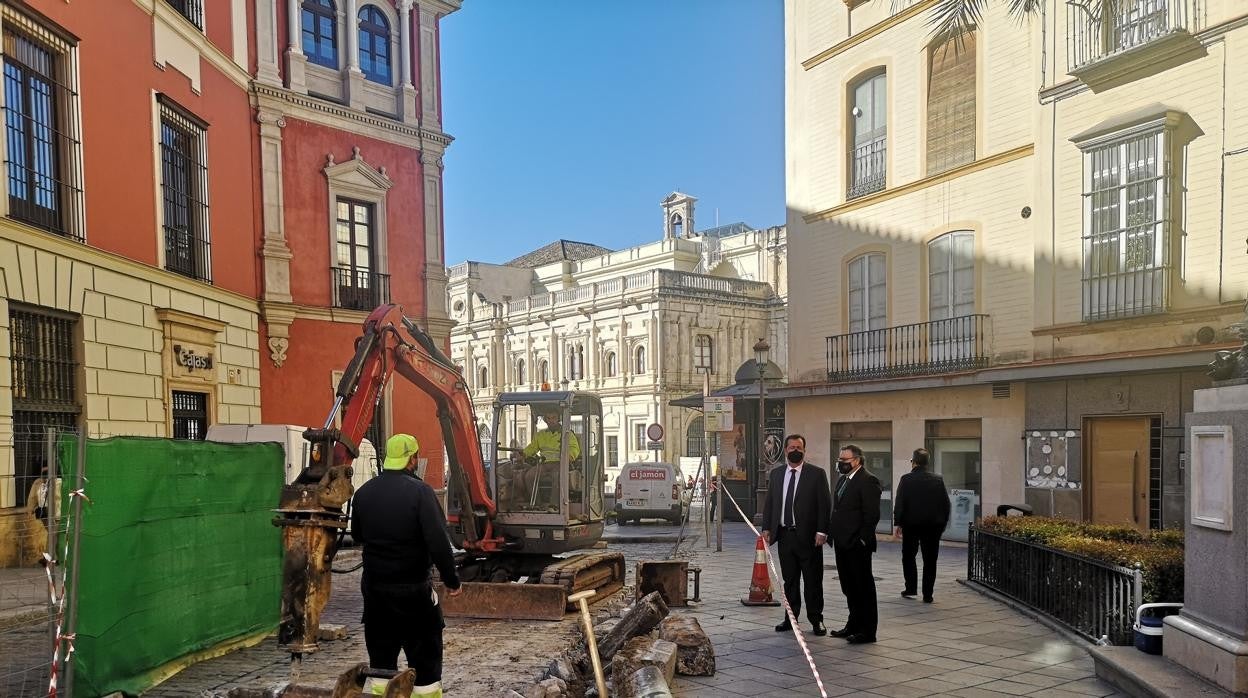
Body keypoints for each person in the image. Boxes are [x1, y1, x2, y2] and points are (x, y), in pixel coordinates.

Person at [352, 433, 462, 697]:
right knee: (425, 663)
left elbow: (357, 536)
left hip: (376, 592)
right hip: (413, 592)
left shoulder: (363, 493)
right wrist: (452, 580)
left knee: (380, 663)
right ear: (412, 459)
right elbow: (438, 543)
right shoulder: (421, 493)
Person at [760, 434, 831, 636]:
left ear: (804, 450)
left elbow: (824, 505)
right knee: (789, 581)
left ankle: (817, 620)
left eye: (799, 447)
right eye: (791, 447)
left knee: (812, 581)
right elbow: (770, 503)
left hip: (809, 537)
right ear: (785, 450)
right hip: (785, 536)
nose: (795, 450)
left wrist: (822, 531)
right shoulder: (776, 474)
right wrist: (767, 527)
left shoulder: (816, 474)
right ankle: (790, 619)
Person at [828, 444, 882, 644]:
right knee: (848, 586)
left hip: (857, 544)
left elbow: (872, 515)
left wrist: (861, 538)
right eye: (840, 460)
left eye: (845, 460)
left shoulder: (868, 481)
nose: (841, 463)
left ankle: (868, 631)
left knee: (863, 587)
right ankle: (853, 624)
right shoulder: (843, 480)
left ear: (857, 460)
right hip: (842, 543)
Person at [893, 448, 951, 603]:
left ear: (914, 462)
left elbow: (900, 503)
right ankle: (928, 594)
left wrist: (897, 523)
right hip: (932, 527)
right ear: (927, 463)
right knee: (930, 560)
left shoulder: (906, 479)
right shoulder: (937, 479)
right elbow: (946, 504)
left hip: (911, 525)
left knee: (908, 557)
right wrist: (942, 524)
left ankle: (911, 588)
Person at [514, 408, 581, 509]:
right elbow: (532, 448)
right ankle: (537, 504)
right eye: (548, 418)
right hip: (544, 464)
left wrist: (570, 456)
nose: (551, 420)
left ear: (558, 419)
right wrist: (522, 454)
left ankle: (554, 505)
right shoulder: (541, 435)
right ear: (545, 420)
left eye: (553, 418)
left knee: (557, 475)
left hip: (560, 463)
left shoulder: (567, 434)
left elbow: (574, 448)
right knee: (529, 476)